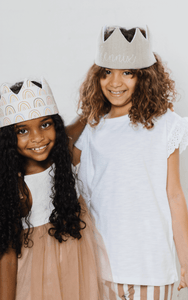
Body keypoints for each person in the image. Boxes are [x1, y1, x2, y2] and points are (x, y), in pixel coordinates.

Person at [68, 26, 188, 299]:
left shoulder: (166, 125)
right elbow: (59, 163)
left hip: (152, 264)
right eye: (106, 72)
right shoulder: (93, 127)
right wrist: (85, 116)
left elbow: (175, 194)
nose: (115, 82)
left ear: (144, 77)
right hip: (103, 264)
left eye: (128, 73)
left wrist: (186, 259)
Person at [0, 78, 111, 300]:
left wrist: (94, 107)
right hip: (38, 277)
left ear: (56, 126)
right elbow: (7, 255)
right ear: (7, 139)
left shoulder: (62, 157)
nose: (38, 137)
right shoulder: (14, 186)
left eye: (45, 124)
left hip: (77, 267)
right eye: (22, 130)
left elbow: (74, 129)